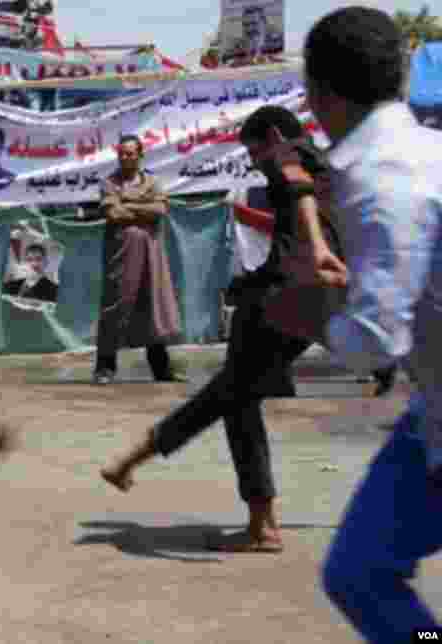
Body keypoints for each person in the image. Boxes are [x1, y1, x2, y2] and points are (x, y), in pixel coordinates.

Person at [99, 105, 348, 553]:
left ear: (271, 135)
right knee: (236, 394)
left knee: (229, 395)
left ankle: (143, 460)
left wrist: (314, 250)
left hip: (288, 294)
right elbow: (307, 214)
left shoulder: (287, 153)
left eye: (253, 150)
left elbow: (296, 188)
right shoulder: (331, 167)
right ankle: (255, 517)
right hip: (317, 299)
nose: (253, 161)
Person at [301, 8, 442, 641]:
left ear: (319, 93)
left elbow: (374, 343)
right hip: (432, 415)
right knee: (360, 573)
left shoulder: (383, 177)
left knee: (362, 574)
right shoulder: (421, 153)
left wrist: (314, 311)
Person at [93, 135, 183, 385]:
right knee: (115, 306)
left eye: (130, 153)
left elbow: (161, 210)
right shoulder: (109, 182)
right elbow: (113, 212)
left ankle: (161, 370)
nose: (125, 157)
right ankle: (105, 368)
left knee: (152, 306)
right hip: (121, 254)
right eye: (121, 153)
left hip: (151, 255)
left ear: (140, 155)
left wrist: (129, 202)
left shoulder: (153, 181)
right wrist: (144, 206)